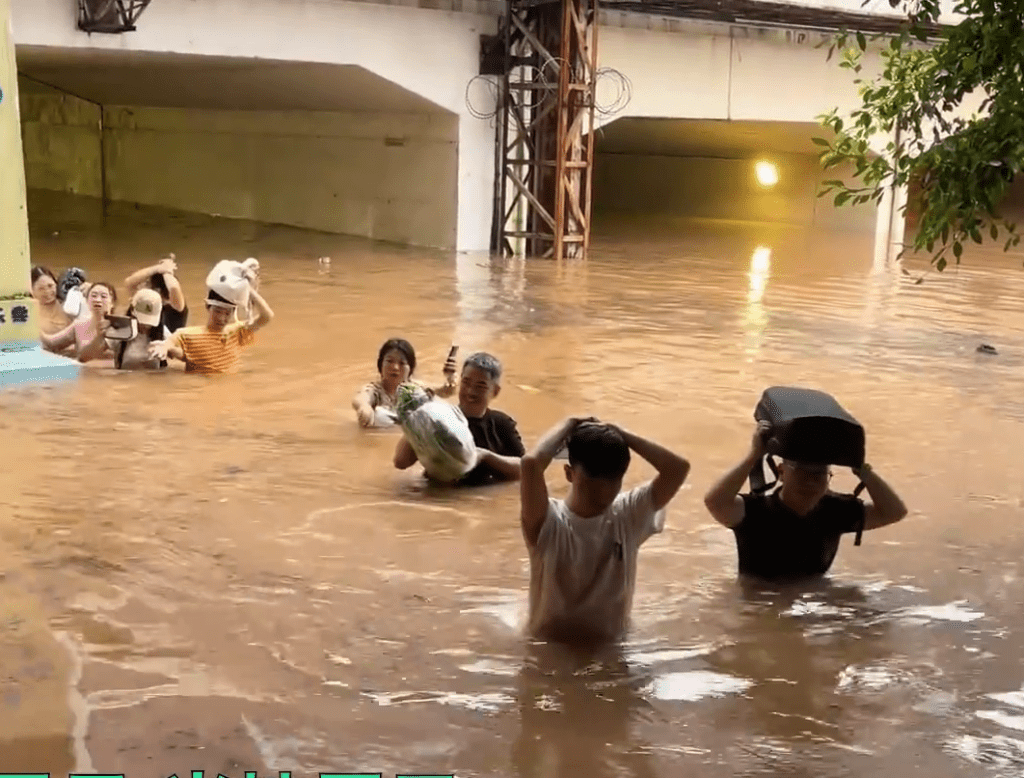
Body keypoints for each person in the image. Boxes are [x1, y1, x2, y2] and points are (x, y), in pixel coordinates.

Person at [519, 418, 690, 645]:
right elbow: (530, 463)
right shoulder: (548, 521)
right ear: (569, 474)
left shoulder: (628, 514)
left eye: (614, 483)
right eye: (592, 485)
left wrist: (620, 433)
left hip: (611, 650)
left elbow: (678, 468)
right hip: (548, 651)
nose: (604, 495)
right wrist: (570, 424)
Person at [703, 420, 909, 582]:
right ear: (781, 472)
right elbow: (715, 502)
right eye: (801, 471)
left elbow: (894, 512)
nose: (810, 481)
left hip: (812, 601)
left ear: (829, 477)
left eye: (819, 474)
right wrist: (753, 455)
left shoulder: (835, 510)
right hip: (758, 601)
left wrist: (862, 469)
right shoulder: (756, 511)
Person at [393, 351, 525, 486]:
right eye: (466, 383)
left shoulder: (501, 424)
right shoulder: (440, 420)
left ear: (495, 391)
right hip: (439, 499)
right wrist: (417, 419)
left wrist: (484, 456)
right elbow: (400, 462)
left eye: (480, 386)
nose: (470, 391)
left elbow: (526, 470)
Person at [149, 285, 273, 374]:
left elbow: (267, 316)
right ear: (208, 308)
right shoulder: (187, 334)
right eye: (217, 311)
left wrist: (249, 290)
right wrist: (164, 347)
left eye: (227, 313)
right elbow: (170, 341)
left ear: (233, 313)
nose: (222, 318)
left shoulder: (237, 332)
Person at [352, 338, 457, 428]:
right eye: (389, 361)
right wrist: (364, 407)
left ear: (410, 369)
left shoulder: (415, 389)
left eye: (402, 363)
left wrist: (450, 378)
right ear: (380, 365)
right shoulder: (376, 390)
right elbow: (361, 397)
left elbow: (445, 392)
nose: (395, 367)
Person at [40, 282, 119, 364]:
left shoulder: (120, 327)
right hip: (85, 372)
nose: (97, 300)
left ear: (112, 303)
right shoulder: (79, 325)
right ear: (87, 300)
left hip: (110, 374)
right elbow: (50, 344)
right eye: (94, 295)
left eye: (103, 296)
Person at [124, 255, 189, 333]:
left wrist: (167, 272)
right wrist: (157, 268)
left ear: (158, 291)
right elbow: (129, 282)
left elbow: (174, 288)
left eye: (147, 284)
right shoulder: (143, 302)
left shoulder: (175, 308)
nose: (143, 287)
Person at [113, 289, 168, 370]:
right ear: (132, 310)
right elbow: (91, 353)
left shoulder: (163, 332)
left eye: (150, 322)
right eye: (142, 320)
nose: (146, 325)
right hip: (125, 381)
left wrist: (167, 348)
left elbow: (184, 352)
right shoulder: (120, 329)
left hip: (153, 381)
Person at [30, 266, 73, 343]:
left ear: (56, 284)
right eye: (41, 288)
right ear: (32, 290)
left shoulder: (68, 305)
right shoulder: (28, 311)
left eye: (50, 286)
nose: (47, 291)